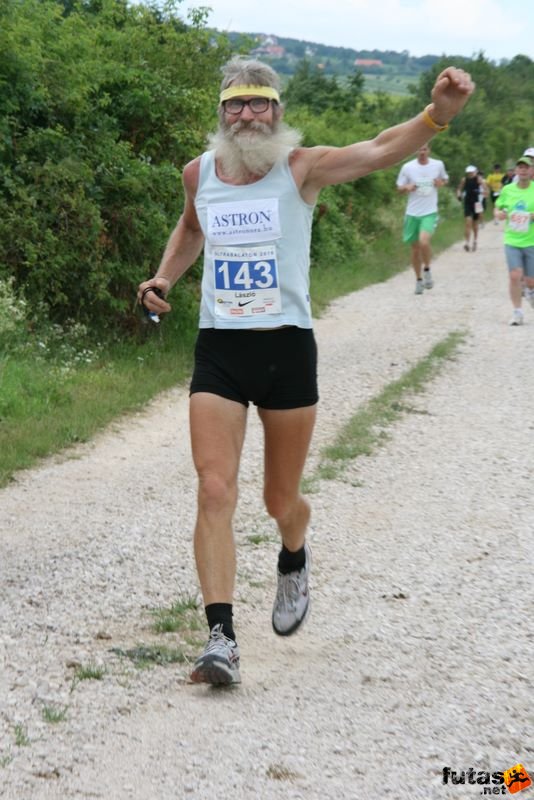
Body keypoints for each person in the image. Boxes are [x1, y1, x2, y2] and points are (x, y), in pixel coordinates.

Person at [137, 57, 474, 686]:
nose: (247, 114)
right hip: (221, 350)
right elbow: (190, 228)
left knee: (279, 500)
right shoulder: (199, 173)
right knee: (214, 488)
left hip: (288, 349)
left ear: (276, 110)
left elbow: (378, 150)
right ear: (221, 113)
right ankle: (221, 638)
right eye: (235, 104)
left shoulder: (303, 168)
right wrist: (165, 276)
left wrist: (439, 115)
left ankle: (294, 555)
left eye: (259, 103)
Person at [396, 143, 449, 294]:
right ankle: (418, 280)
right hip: (412, 213)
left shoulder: (437, 165)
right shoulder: (408, 167)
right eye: (419, 149)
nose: (422, 152)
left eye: (424, 149)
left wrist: (440, 183)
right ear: (415, 151)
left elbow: (444, 179)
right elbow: (398, 187)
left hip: (429, 211)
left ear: (429, 150)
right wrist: (406, 187)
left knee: (424, 241)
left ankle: (427, 270)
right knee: (414, 249)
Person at [494, 155, 534, 326]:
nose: (523, 170)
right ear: (516, 171)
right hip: (512, 239)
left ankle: (531, 292)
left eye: (526, 167)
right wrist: (499, 214)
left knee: (531, 281)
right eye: (520, 167)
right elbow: (498, 207)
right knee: (514, 276)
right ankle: (517, 312)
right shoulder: (508, 190)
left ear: (532, 170)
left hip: (531, 241)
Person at [456, 165, 485, 251]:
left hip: (477, 202)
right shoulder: (464, 180)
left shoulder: (479, 180)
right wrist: (458, 194)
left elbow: (485, 189)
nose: (470, 174)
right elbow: (459, 189)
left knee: (475, 224)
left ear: (475, 172)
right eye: (469, 173)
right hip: (467, 202)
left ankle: (475, 241)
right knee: (468, 223)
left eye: (472, 172)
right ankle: (467, 242)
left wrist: (483, 193)